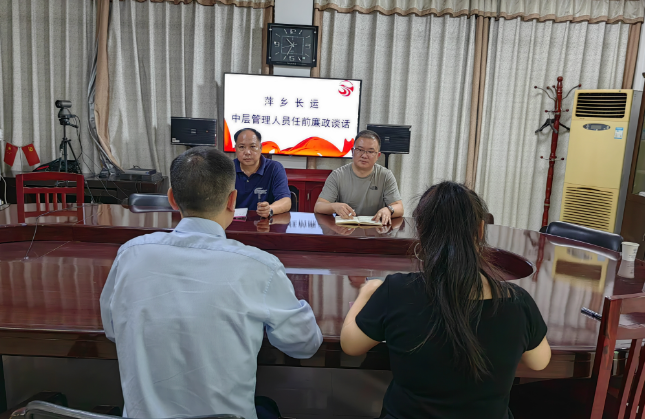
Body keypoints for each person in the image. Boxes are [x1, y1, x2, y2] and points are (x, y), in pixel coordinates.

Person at [100, 147, 322, 419]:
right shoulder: (260, 266)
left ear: (172, 199)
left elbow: (112, 328)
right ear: (232, 200)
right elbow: (305, 344)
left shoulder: (130, 254)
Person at [340, 181, 551, 419]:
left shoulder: (396, 291)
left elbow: (351, 345)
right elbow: (539, 362)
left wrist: (367, 291)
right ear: (481, 230)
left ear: (421, 231)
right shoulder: (517, 302)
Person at [314, 130, 403, 225]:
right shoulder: (337, 175)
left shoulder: (385, 175)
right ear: (352, 152)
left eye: (370, 151)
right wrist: (334, 206)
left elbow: (399, 208)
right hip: (345, 229)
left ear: (378, 156)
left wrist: (389, 210)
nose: (364, 155)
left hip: (375, 229)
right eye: (360, 150)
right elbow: (319, 206)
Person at [234, 128, 291, 218]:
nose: (247, 152)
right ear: (235, 149)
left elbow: (286, 201)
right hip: (234, 222)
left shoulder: (274, 168)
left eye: (252, 147)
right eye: (241, 147)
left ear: (260, 148)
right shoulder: (227, 169)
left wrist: (270, 209)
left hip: (265, 222)